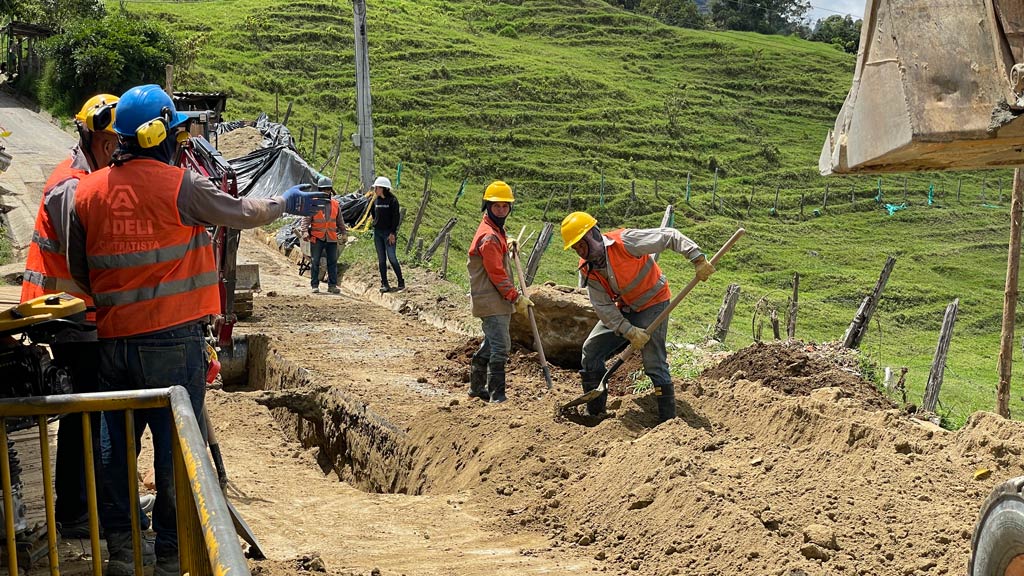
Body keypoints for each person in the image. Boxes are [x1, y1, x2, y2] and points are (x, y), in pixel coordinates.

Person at [66, 84, 327, 576]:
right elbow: (240, 213)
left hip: (113, 343)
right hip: (172, 343)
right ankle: (169, 552)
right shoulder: (179, 185)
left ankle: (123, 551)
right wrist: (284, 203)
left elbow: (82, 270)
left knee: (116, 450)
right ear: (159, 132)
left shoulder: (88, 191)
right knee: (175, 448)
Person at [20, 94, 119, 539]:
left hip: (79, 313)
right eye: (114, 142)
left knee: (87, 414)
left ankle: (86, 505)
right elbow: (83, 257)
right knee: (86, 415)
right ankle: (80, 512)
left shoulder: (91, 177)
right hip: (68, 316)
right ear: (96, 139)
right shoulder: (72, 185)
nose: (119, 152)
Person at [560, 211, 714, 422]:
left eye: (581, 244)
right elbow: (604, 307)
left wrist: (697, 258)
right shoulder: (588, 269)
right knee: (591, 350)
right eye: (576, 247)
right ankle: (594, 413)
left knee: (653, 362)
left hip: (654, 303)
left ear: (594, 234)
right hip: (626, 307)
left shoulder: (626, 242)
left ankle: (668, 421)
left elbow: (669, 236)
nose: (580, 251)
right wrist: (628, 331)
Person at [466, 181, 533, 403]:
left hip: (493, 299)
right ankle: (497, 395)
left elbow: (497, 251)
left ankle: (476, 387)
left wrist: (508, 241)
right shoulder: (490, 237)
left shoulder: (495, 231)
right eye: (497, 207)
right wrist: (516, 297)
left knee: (494, 342)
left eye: (505, 206)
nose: (501, 210)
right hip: (491, 299)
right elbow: (497, 275)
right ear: (487, 206)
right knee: (501, 346)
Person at [299, 175, 346, 294]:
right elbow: (306, 220)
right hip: (317, 237)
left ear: (330, 190)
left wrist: (344, 233)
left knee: (332, 262)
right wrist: (304, 232)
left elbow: (340, 221)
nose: (326, 191)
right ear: (319, 190)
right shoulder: (313, 204)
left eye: (328, 189)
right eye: (323, 189)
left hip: (331, 238)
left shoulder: (335, 204)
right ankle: (315, 285)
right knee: (315, 262)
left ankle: (332, 285)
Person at [370, 175, 405, 293]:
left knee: (392, 257)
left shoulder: (393, 201)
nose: (375, 190)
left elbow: (396, 218)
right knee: (381, 259)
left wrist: (392, 233)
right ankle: (384, 283)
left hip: (389, 233)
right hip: (378, 233)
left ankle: (401, 281)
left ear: (383, 188)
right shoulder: (376, 201)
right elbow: (373, 215)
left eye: (377, 188)